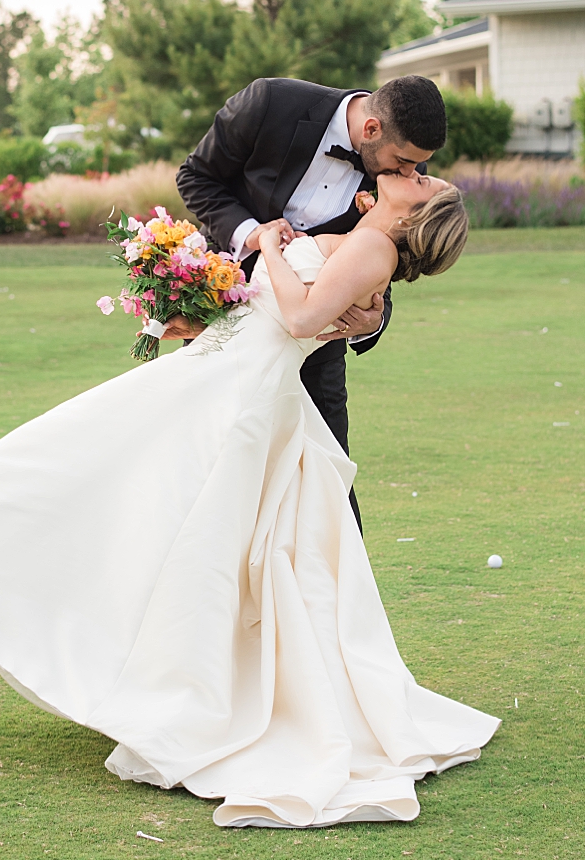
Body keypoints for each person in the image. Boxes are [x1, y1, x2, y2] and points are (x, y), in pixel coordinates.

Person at [0, 169, 499, 828]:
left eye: (424, 178)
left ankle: (159, 676)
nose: (415, 171)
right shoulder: (363, 239)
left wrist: (274, 249)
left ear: (417, 209)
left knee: (118, 477)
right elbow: (303, 309)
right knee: (138, 488)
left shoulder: (373, 248)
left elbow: (301, 315)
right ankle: (171, 675)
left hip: (241, 392)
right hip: (234, 376)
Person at [174, 74, 448, 532]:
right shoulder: (271, 102)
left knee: (328, 476)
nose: (405, 174)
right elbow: (196, 178)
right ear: (372, 129)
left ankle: (342, 600)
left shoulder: (395, 186)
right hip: (226, 325)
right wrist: (255, 237)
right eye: (402, 162)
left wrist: (372, 319)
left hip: (316, 344)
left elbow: (385, 262)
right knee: (209, 463)